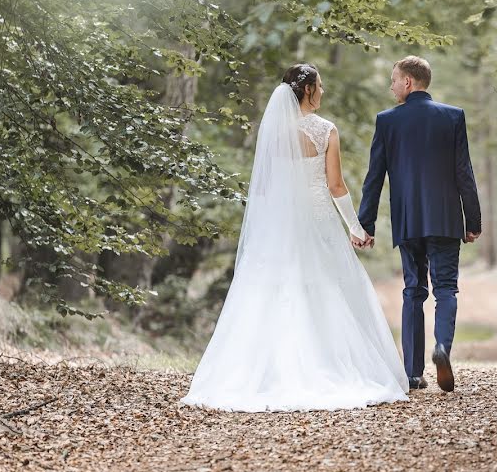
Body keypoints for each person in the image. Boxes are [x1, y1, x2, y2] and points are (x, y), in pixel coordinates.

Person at [180, 64, 408, 412]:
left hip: (278, 228)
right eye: (320, 85)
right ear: (307, 91)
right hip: (318, 223)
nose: (323, 91)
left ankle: (267, 371)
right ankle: (328, 366)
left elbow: (265, 187)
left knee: (271, 293)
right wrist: (355, 227)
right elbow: (335, 186)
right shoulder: (325, 131)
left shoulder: (273, 132)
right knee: (326, 290)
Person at [358, 56, 481, 393]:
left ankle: (413, 373)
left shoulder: (387, 121)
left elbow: (374, 178)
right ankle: (442, 347)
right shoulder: (452, 117)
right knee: (446, 289)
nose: (391, 86)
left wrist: (364, 224)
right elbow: (464, 173)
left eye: (394, 79)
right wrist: (473, 220)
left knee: (413, 291)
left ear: (408, 82)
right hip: (445, 219)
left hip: (408, 220)